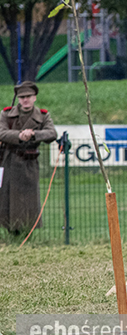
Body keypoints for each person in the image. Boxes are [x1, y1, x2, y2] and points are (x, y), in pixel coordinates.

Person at [0, 81, 57, 234]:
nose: (25, 100)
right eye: (22, 97)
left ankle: (27, 232)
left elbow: (52, 133)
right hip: (10, 160)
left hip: (30, 162)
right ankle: (11, 233)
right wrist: (19, 135)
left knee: (29, 200)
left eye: (28, 96)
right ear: (18, 98)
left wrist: (34, 134)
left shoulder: (43, 115)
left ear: (35, 98)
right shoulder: (6, 114)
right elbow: (2, 132)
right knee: (8, 199)